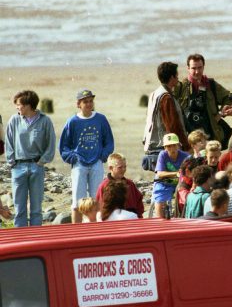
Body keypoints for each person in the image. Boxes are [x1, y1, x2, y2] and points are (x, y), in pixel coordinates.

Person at [59, 89, 114, 223]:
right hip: (79, 164)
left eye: (90, 101)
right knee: (78, 201)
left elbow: (109, 141)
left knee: (97, 198)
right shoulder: (72, 121)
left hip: (96, 163)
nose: (89, 104)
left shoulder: (101, 119)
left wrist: (103, 155)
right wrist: (72, 157)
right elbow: (64, 145)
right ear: (79, 104)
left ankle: (96, 229)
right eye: (85, 102)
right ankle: (76, 233)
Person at [5, 90, 56, 227]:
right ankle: (21, 240)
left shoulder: (45, 121)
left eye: (19, 105)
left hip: (37, 167)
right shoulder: (14, 120)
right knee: (19, 208)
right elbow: (8, 143)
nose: (17, 107)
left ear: (28, 105)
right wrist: (12, 163)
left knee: (36, 209)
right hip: (18, 167)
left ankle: (36, 239)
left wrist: (42, 161)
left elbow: (51, 144)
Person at [173, 53, 232, 147]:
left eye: (200, 67)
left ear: (203, 67)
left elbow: (228, 98)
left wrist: (220, 114)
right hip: (189, 137)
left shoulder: (211, 85)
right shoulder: (180, 87)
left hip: (210, 134)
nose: (197, 71)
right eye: (194, 68)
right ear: (188, 68)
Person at [143, 61, 189, 153]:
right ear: (172, 77)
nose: (178, 78)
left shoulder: (154, 94)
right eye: (176, 75)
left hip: (151, 144)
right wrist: (186, 146)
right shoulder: (166, 97)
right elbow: (172, 125)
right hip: (164, 147)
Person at [152, 133, 190, 218]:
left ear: (178, 145)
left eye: (174, 145)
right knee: (160, 198)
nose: (172, 148)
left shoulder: (186, 156)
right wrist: (176, 173)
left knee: (187, 197)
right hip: (164, 182)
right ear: (165, 147)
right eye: (169, 146)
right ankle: (159, 220)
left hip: (180, 183)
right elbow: (160, 173)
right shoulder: (163, 155)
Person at [96, 153, 144, 218]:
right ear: (111, 168)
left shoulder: (130, 184)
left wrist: (139, 217)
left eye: (125, 167)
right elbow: (99, 207)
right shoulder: (104, 186)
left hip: (131, 220)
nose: (123, 169)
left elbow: (139, 202)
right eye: (120, 167)